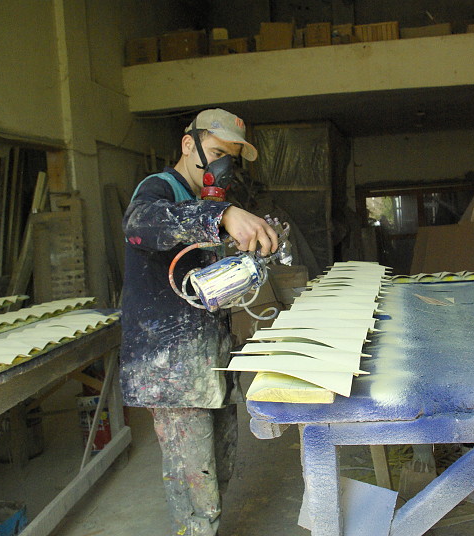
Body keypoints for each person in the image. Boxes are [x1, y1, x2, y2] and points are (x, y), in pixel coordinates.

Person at [120, 108, 279, 536]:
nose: (223, 167)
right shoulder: (159, 189)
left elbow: (204, 281)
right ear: (189, 145)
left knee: (219, 463)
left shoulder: (206, 201)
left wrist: (245, 260)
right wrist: (222, 215)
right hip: (171, 363)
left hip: (208, 356)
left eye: (231, 159)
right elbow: (139, 225)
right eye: (216, 153)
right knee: (195, 480)